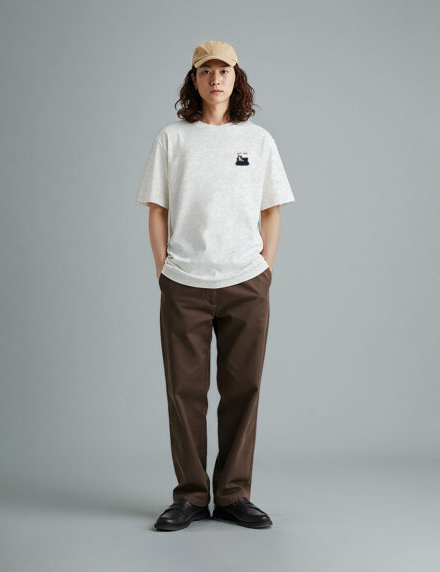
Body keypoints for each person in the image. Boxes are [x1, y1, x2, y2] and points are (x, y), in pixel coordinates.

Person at [136, 40, 295, 531]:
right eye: (206, 71)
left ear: (236, 78)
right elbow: (157, 208)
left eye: (224, 70)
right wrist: (163, 269)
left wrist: (265, 269)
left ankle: (232, 494)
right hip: (184, 282)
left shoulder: (259, 140)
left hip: (246, 282)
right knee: (183, 392)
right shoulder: (172, 138)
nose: (216, 78)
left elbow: (272, 209)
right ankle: (189, 495)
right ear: (194, 80)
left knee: (243, 389)